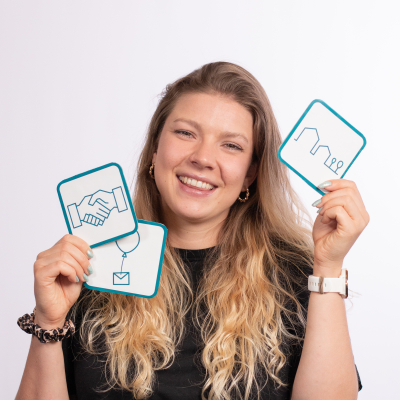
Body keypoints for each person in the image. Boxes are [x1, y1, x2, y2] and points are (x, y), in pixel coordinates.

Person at [15, 62, 368, 400]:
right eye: (186, 133)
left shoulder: (297, 275)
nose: (202, 157)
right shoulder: (90, 265)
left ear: (250, 173)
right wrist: (49, 320)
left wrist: (328, 268)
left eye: (231, 145)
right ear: (155, 150)